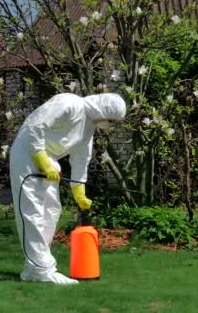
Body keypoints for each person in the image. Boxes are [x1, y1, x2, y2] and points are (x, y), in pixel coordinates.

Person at [9, 93, 126, 285]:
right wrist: (41, 160)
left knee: (51, 211)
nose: (110, 124)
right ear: (104, 112)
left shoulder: (88, 127)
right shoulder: (69, 104)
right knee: (32, 213)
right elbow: (35, 126)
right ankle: (42, 270)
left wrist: (79, 191)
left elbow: (81, 159)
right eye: (111, 120)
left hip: (49, 161)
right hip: (27, 155)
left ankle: (34, 268)